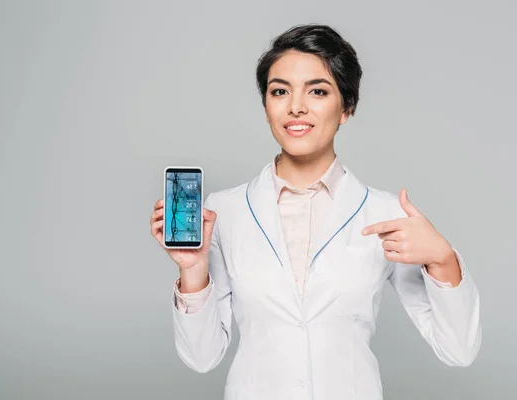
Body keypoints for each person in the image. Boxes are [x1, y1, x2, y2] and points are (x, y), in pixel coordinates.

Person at [149, 24, 481, 400]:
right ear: (266, 107)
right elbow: (201, 357)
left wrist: (442, 260)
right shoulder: (222, 212)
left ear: (347, 108)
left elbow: (459, 350)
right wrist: (193, 270)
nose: (296, 107)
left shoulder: (384, 213)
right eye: (280, 91)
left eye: (318, 91)